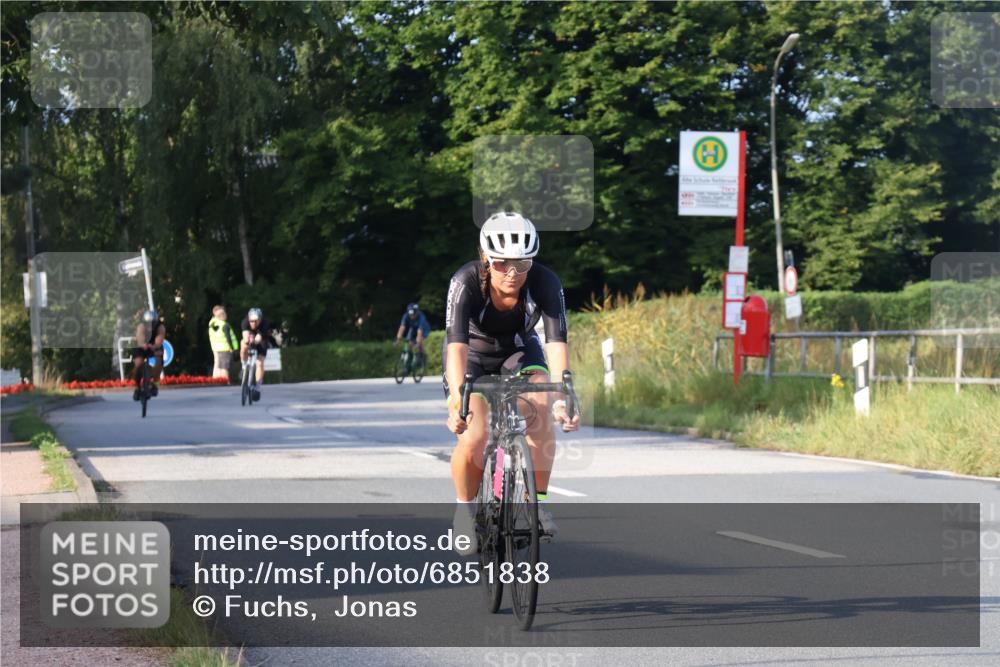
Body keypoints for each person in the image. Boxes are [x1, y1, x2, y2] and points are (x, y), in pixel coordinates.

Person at [443, 212, 580, 555]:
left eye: (522, 264)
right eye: (504, 264)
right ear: (487, 258)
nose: (513, 273)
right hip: (472, 357)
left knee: (543, 402)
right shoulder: (466, 281)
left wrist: (564, 400)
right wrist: (456, 402)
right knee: (474, 437)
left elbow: (556, 343)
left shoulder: (545, 282)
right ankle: (463, 512)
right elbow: (456, 347)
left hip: (519, 351)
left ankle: (536, 507)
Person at [132, 309, 166, 401]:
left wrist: (154, 346)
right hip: (141, 346)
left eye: (153, 323)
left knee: (159, 362)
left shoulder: (160, 327)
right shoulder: (141, 326)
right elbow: (140, 339)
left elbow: (159, 340)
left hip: (154, 346)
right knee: (138, 365)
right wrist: (143, 345)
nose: (150, 325)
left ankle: (155, 384)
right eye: (148, 323)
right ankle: (137, 387)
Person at [240, 308, 272, 401]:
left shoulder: (265, 324)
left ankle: (257, 387)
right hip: (249, 335)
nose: (253, 323)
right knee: (243, 345)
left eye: (255, 321)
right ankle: (243, 366)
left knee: (260, 362)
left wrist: (254, 341)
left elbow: (259, 338)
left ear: (260, 319)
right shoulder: (245, 322)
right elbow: (245, 336)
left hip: (261, 338)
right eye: (251, 321)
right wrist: (247, 341)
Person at [208, 305, 239, 381]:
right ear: (221, 315)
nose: (225, 315)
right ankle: (225, 381)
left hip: (216, 348)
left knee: (219, 366)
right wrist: (231, 348)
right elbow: (228, 338)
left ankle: (217, 382)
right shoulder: (224, 325)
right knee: (225, 367)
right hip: (225, 348)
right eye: (224, 314)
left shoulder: (212, 324)